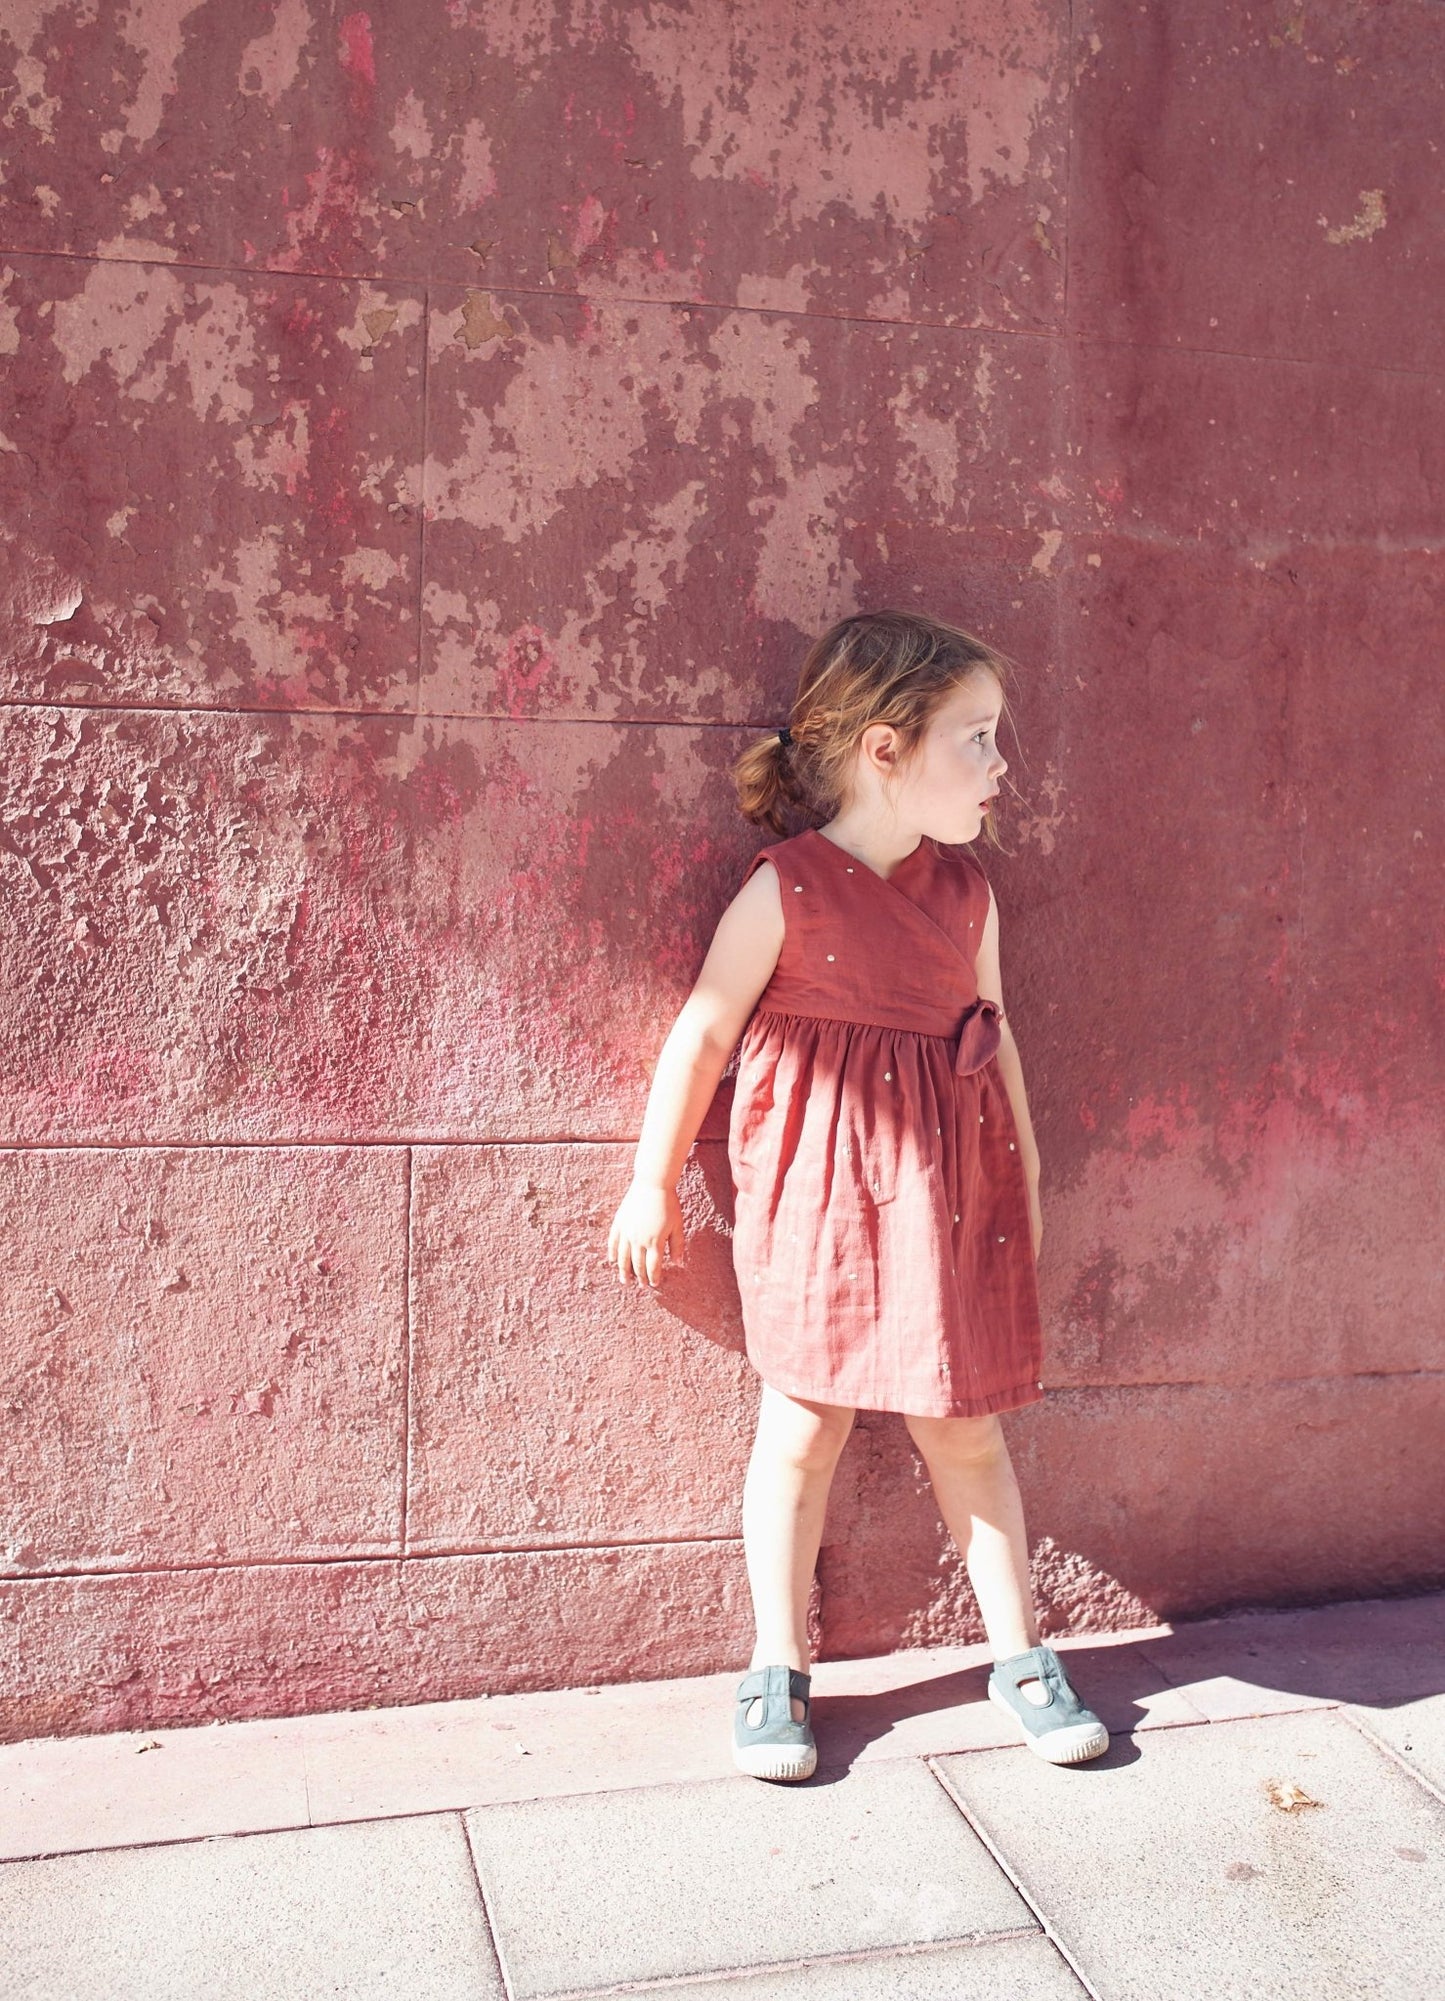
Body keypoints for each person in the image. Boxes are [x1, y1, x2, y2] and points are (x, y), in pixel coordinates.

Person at [605, 609, 1108, 1780]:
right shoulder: (784, 891)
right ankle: (776, 1663)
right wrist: (649, 1180)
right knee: (801, 1428)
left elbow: (993, 1032)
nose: (998, 766)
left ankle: (1019, 1655)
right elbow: (703, 1034)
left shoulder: (967, 894)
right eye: (974, 738)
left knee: (963, 1424)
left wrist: (1026, 1172)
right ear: (885, 749)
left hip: (944, 1200)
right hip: (818, 1203)